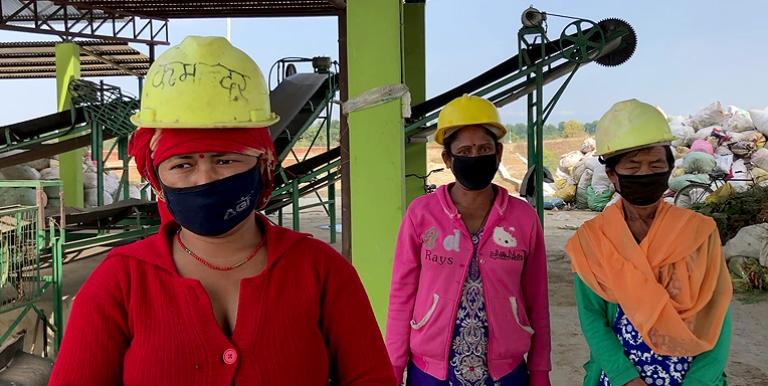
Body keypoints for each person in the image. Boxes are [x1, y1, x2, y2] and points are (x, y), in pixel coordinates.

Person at [49, 36, 396, 386]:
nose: (205, 178)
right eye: (182, 164)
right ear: (157, 180)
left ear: (263, 167)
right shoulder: (120, 282)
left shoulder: (321, 271)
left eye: (225, 160)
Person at [386, 95, 551, 386]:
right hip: (431, 373)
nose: (475, 157)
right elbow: (402, 296)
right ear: (448, 159)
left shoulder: (523, 218)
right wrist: (394, 367)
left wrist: (539, 373)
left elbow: (537, 301)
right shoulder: (421, 215)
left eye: (484, 149)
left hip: (506, 374)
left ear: (498, 153)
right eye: (465, 150)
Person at [565, 99, 732, 386]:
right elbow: (592, 318)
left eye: (655, 164)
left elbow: (717, 312)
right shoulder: (592, 240)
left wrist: (700, 382)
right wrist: (626, 378)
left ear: (669, 169)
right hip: (621, 378)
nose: (645, 174)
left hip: (692, 377)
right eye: (633, 166)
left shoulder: (700, 232)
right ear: (612, 175)